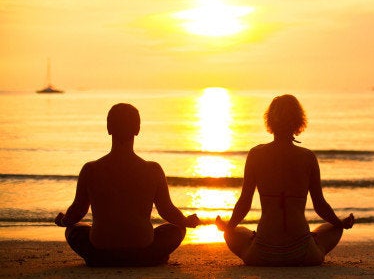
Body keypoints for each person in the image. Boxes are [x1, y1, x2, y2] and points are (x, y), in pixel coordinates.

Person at [216, 94, 355, 266]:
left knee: (233, 232)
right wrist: (340, 223)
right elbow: (320, 205)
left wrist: (228, 227)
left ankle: (252, 241)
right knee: (334, 228)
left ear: (269, 121)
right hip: (303, 253)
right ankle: (312, 243)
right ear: (299, 121)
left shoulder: (256, 155)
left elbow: (244, 203)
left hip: (262, 253)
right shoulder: (307, 157)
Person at [54, 103, 200, 267]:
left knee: (74, 229)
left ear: (109, 128)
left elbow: (77, 211)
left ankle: (100, 259)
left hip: (101, 250)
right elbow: (167, 210)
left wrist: (64, 221)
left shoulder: (91, 169)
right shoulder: (152, 169)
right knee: (177, 229)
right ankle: (150, 258)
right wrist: (186, 222)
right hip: (142, 248)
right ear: (137, 129)